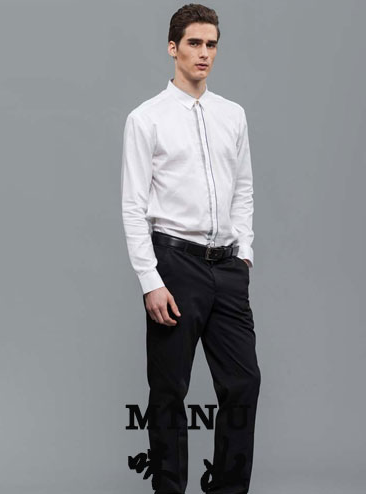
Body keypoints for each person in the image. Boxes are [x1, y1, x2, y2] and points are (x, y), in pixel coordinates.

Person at [121, 4, 261, 493]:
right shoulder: (146, 119)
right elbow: (133, 206)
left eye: (212, 44)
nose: (204, 53)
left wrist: (244, 252)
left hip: (227, 268)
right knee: (168, 391)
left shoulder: (232, 115)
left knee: (243, 384)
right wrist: (150, 281)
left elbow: (243, 188)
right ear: (173, 47)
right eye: (195, 43)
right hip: (175, 265)